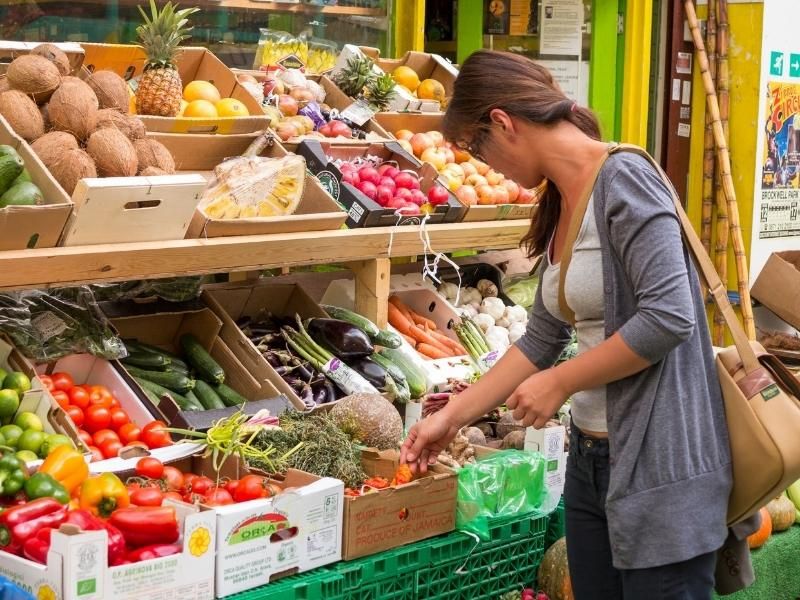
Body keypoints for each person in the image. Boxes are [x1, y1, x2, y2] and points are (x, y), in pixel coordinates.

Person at [401, 50, 734, 599]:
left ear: (503, 124)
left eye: (477, 147)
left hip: (659, 470)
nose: (486, 166)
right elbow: (539, 340)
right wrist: (450, 420)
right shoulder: (560, 199)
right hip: (591, 461)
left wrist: (561, 380)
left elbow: (669, 315)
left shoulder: (626, 179)